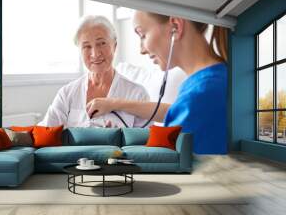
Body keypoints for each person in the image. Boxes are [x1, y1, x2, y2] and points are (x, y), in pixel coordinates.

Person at [86, 11, 228, 154]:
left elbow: (167, 161)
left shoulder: (201, 95)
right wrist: (114, 104)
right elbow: (174, 111)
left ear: (176, 26)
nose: (141, 50)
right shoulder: (213, 80)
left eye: (143, 35)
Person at [39, 15, 150, 128]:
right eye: (87, 46)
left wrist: (121, 138)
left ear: (114, 45)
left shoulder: (137, 94)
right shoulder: (67, 94)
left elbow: (145, 141)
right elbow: (45, 130)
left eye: (101, 43)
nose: (95, 54)